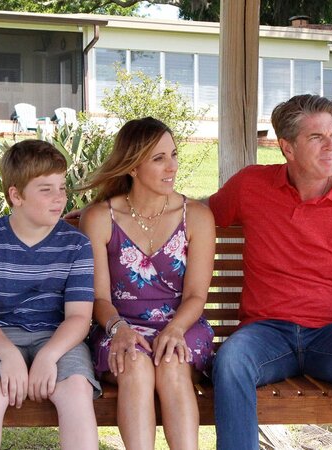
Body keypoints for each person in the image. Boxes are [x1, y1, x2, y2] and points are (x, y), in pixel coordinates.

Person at [209, 94, 332, 450]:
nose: (331, 146)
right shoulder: (251, 186)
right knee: (231, 360)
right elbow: (197, 215)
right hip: (266, 334)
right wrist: (117, 212)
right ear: (287, 148)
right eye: (317, 138)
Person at [79, 117, 216, 450]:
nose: (172, 166)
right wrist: (119, 329)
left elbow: (197, 295)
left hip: (182, 325)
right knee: (135, 365)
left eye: (173, 155)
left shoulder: (196, 216)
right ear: (132, 167)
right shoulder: (100, 219)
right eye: (159, 158)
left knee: (172, 364)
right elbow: (98, 298)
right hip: (117, 327)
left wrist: (175, 329)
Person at [0, 139, 100, 450]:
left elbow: (79, 317)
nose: (59, 198)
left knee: (76, 389)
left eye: (62, 187)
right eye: (46, 189)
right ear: (16, 195)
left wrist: (50, 355)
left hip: (59, 336)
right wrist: (8, 354)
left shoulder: (76, 245)